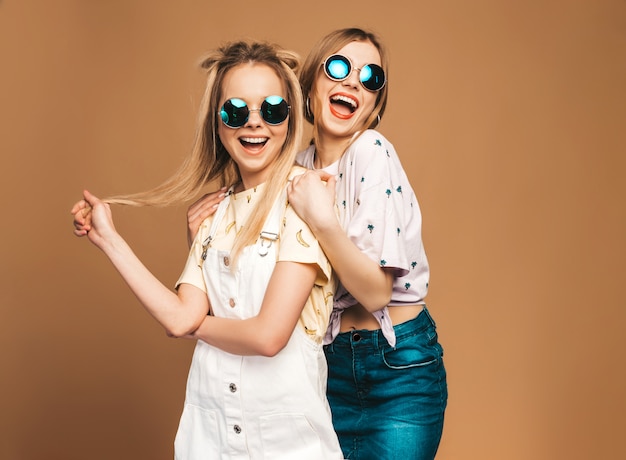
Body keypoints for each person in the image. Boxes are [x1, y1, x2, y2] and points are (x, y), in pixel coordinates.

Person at [71, 40, 343, 460]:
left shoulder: (305, 199)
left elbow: (268, 336)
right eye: (235, 111)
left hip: (288, 444)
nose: (254, 124)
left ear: (289, 120)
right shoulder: (211, 217)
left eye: (271, 109)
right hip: (210, 436)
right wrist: (108, 238)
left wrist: (190, 326)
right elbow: (180, 314)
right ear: (217, 125)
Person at [188, 28, 448, 460]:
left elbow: (377, 292)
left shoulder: (372, 151)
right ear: (308, 88)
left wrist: (324, 221)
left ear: (375, 107)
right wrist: (203, 243)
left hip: (396, 367)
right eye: (340, 67)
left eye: (371, 79)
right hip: (328, 367)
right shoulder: (294, 170)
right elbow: (255, 293)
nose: (352, 83)